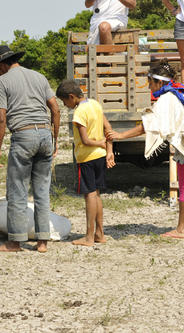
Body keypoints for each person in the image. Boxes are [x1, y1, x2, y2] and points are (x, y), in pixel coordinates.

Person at [108, 60, 184, 239]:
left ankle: (181, 229)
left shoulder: (166, 99)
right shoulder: (183, 88)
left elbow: (148, 125)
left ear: (159, 82)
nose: (149, 87)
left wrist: (121, 136)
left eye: (150, 83)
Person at [0, 45, 60, 253]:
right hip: (45, 134)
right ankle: (42, 241)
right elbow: (55, 109)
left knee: (17, 190)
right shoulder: (39, 76)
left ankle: (15, 242)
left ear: (2, 65)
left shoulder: (3, 81)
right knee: (41, 191)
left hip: (23, 135)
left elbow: (1, 117)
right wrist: (54, 139)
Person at [56, 80, 115, 246]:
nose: (65, 104)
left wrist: (100, 143)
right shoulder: (95, 104)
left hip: (87, 158)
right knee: (96, 194)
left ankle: (88, 237)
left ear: (72, 97)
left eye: (64, 101)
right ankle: (99, 233)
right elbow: (108, 127)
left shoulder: (79, 113)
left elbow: (85, 140)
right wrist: (109, 150)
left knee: (89, 194)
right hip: (100, 157)